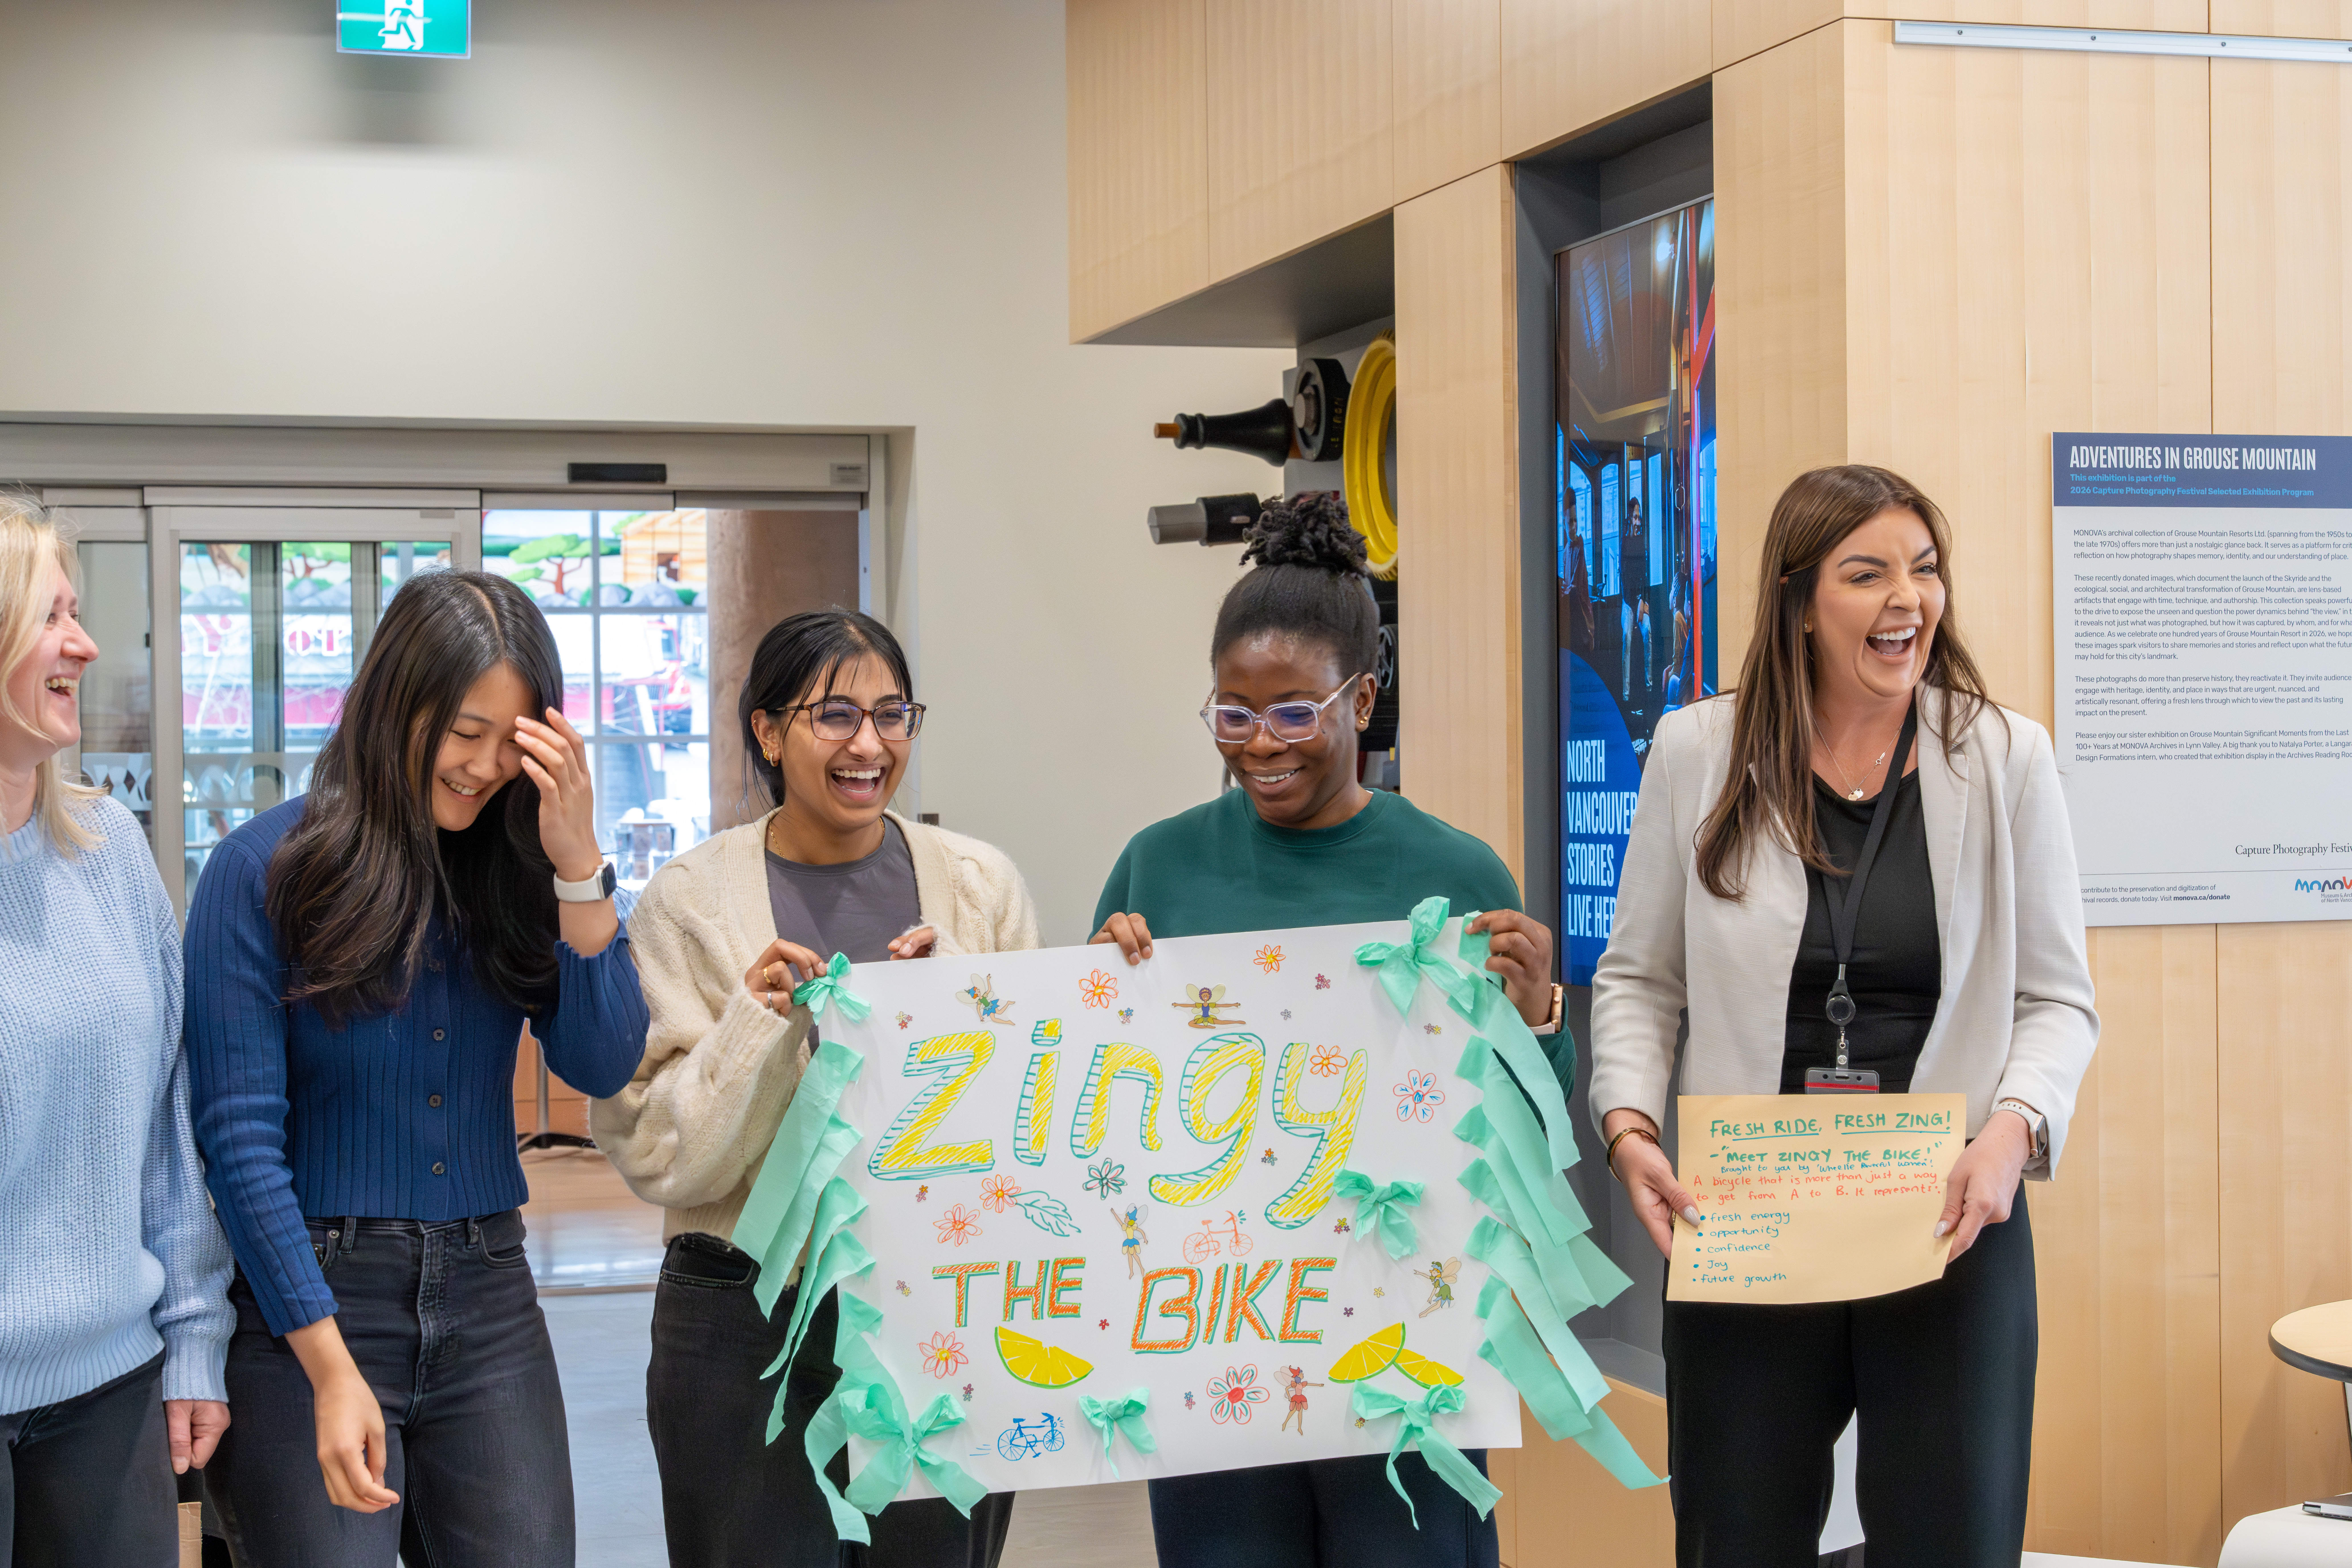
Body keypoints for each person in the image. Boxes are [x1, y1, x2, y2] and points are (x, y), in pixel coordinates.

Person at [1589, 464, 2099, 1567]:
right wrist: (1630, 1128)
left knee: (1951, 1535)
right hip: (1751, 1206)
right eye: (1866, 573)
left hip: (1949, 1207)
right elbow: (1641, 977)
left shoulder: (2006, 756)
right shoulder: (1699, 751)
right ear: (1797, 599)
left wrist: (2013, 1131)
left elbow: (2056, 996)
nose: (1906, 598)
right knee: (1741, 1532)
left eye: (1924, 570)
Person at [1090, 495, 1562, 1568]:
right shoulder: (1155, 867)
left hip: (1409, 1342)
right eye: (1232, 713)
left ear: (1365, 699)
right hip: (1214, 1333)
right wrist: (1104, 996)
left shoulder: (1458, 873)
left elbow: (1526, 1144)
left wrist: (1538, 1022)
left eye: (1296, 713)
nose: (1262, 746)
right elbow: (1095, 1121)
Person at [186, 569, 648, 1566]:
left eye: (510, 739)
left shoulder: (522, 871)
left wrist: (577, 863)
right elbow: (238, 1144)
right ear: (397, 702)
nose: (482, 767)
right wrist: (326, 1362)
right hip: (313, 1297)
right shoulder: (263, 871)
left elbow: (606, 1061)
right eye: (462, 730)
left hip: (489, 1296)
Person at [592, 608, 1038, 1567]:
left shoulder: (979, 887)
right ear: (767, 731)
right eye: (835, 715)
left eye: (893, 714)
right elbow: (661, 1156)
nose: (870, 744)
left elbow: (1033, 1125)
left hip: (938, 1306)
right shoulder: (689, 902)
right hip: (740, 1316)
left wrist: (963, 1004)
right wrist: (756, 1028)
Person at [0, 499, 234, 1566]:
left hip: (111, 1386)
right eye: (52, 616)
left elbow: (167, 1122)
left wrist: (194, 1335)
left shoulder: (109, 852)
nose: (85, 645)